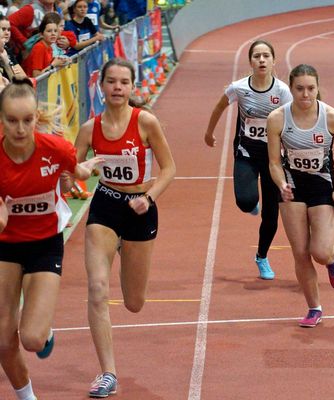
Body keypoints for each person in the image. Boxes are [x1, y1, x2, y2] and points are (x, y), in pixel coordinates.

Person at [73, 58, 176, 398]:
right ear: (101, 87)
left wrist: (149, 196)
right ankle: (108, 374)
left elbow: (169, 168)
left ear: (132, 88)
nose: (117, 87)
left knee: (134, 303)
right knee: (98, 288)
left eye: (123, 82)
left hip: (140, 210)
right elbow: (73, 171)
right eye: (111, 81)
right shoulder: (89, 129)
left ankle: (124, 246)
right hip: (105, 207)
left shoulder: (145, 121)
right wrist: (81, 171)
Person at [0, 78, 103, 400]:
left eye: (27, 120)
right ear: (1, 120)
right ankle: (27, 396)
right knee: (3, 340)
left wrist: (86, 169)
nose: (20, 128)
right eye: (12, 121)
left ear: (37, 117)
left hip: (45, 244)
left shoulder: (55, 149)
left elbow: (77, 171)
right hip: (5, 245)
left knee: (31, 338)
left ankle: (44, 333)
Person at [267, 64, 334, 328]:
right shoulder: (277, 118)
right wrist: (281, 183)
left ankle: (332, 258)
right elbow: (273, 162)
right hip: (291, 187)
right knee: (301, 252)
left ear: (318, 88)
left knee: (320, 251)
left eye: (311, 89)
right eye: (300, 89)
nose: (306, 94)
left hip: (322, 186)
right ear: (290, 89)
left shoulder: (332, 118)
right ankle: (314, 307)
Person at [204, 39, 292, 280]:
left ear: (274, 61)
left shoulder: (282, 91)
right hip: (246, 152)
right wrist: (209, 132)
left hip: (274, 158)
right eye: (257, 56)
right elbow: (219, 107)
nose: (262, 60)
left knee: (272, 216)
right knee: (245, 201)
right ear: (250, 62)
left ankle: (262, 257)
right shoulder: (239, 88)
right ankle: (252, 203)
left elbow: (289, 122)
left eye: (266, 56)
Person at [21, 12, 68, 77]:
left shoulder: (49, 47)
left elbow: (48, 64)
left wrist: (62, 61)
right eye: (49, 31)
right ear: (41, 34)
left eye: (55, 31)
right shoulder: (39, 47)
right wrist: (53, 65)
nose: (53, 34)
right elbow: (36, 75)